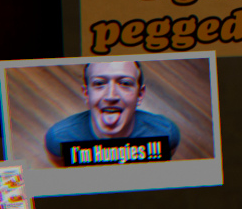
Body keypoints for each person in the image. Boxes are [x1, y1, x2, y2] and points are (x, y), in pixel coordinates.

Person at [42, 60, 180, 165]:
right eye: (99, 83)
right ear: (86, 94)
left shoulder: (165, 133)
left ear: (140, 95)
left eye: (125, 83)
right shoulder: (59, 139)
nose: (111, 96)